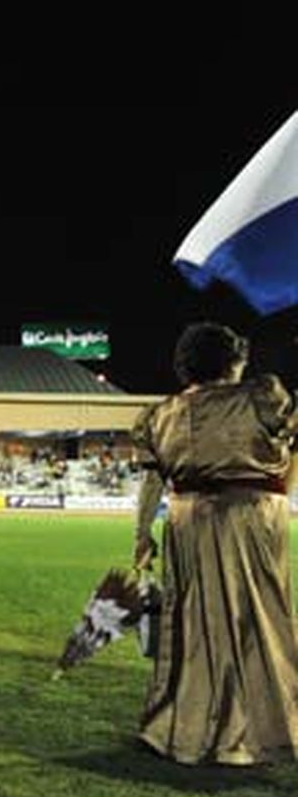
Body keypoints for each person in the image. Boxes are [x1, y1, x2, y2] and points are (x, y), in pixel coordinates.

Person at [129, 323, 298, 765]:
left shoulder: (159, 413)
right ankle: (265, 729)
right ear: (232, 361)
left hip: (188, 519)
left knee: (195, 623)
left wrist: (141, 535)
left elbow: (151, 482)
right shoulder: (260, 397)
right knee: (258, 619)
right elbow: (288, 442)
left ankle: (188, 727)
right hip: (252, 518)